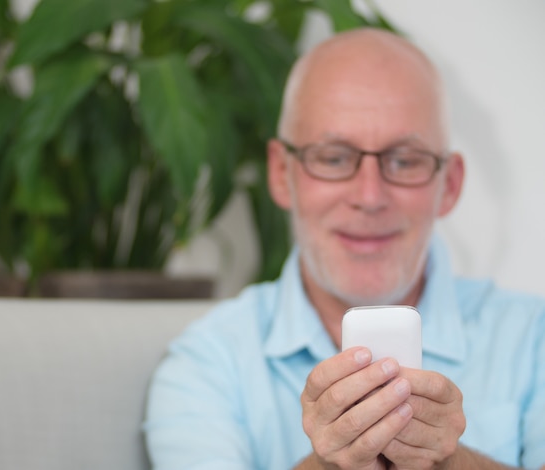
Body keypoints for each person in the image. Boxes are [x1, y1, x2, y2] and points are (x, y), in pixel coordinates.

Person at [144, 27, 545, 470]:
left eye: (404, 160)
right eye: (334, 158)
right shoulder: (208, 363)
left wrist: (453, 462)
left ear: (448, 185)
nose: (369, 196)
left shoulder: (534, 340)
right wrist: (329, 464)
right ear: (281, 173)